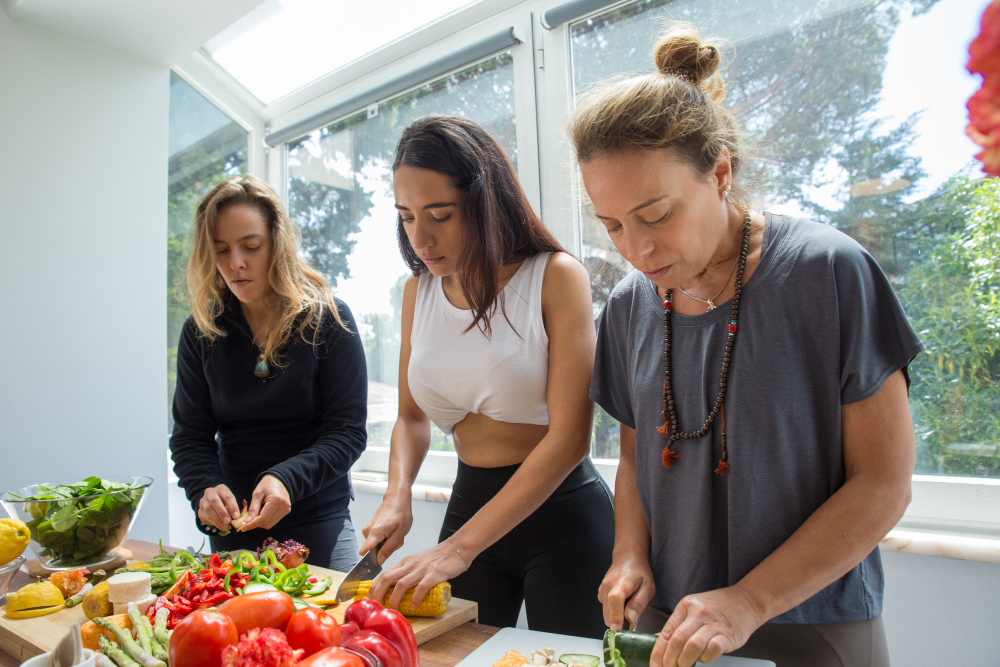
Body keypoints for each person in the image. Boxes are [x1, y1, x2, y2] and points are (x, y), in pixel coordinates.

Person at [569, 25, 924, 667]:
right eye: (612, 224)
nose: (636, 249)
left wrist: (748, 602)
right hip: (673, 624)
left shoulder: (829, 271)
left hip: (812, 621)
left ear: (720, 172)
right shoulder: (626, 305)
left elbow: (884, 484)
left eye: (656, 215)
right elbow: (635, 459)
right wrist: (629, 554)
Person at [359, 116, 614, 637]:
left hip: (563, 517)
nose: (420, 237)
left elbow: (570, 439)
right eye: (406, 217)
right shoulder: (419, 292)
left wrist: (457, 548)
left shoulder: (555, 276)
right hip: (470, 503)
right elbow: (411, 418)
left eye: (440, 214)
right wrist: (396, 494)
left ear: (486, 202)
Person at [169, 174, 367, 571]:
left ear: (277, 244)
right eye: (221, 250)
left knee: (341, 608)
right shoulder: (200, 330)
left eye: (251, 246)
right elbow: (190, 437)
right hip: (234, 526)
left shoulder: (328, 318)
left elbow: (347, 432)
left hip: (318, 517)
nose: (235, 263)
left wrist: (285, 479)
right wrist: (204, 489)